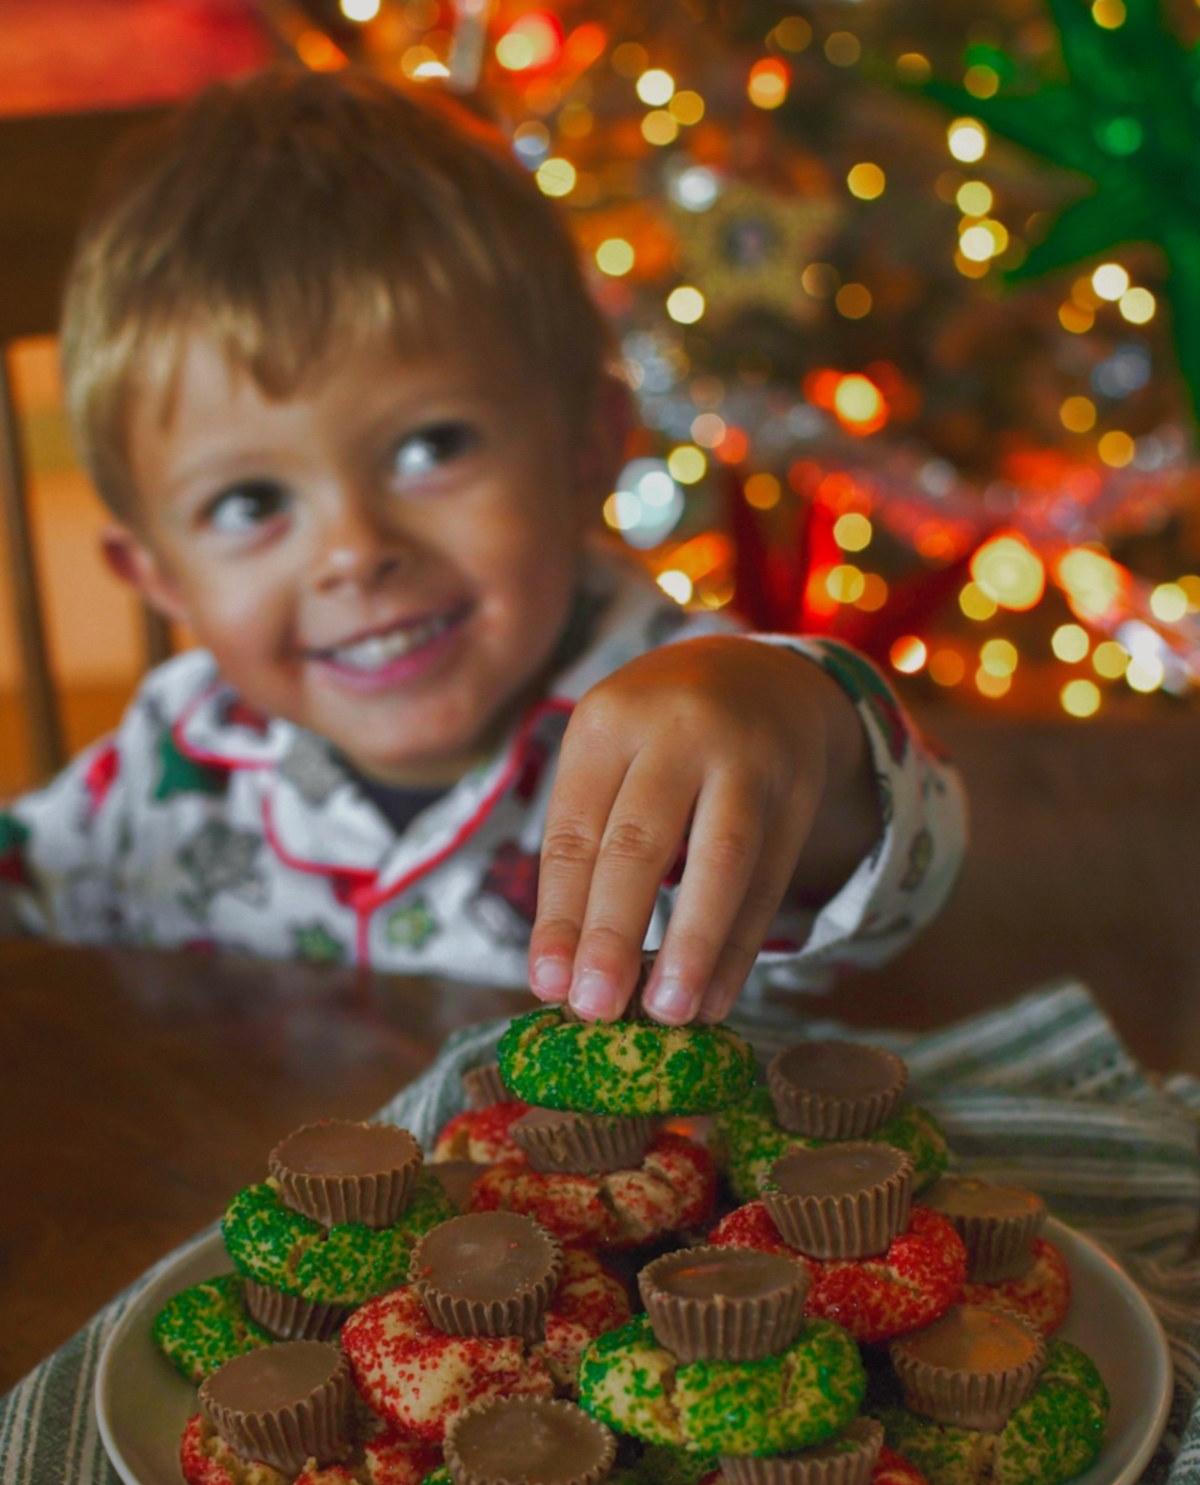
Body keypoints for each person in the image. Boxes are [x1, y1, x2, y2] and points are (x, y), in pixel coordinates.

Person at [0, 66, 966, 1028]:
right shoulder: (166, 758)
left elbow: (898, 867)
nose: (356, 550)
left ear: (588, 441)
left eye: (431, 448)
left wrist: (803, 721)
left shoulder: (686, 713)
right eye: (252, 501)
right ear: (158, 575)